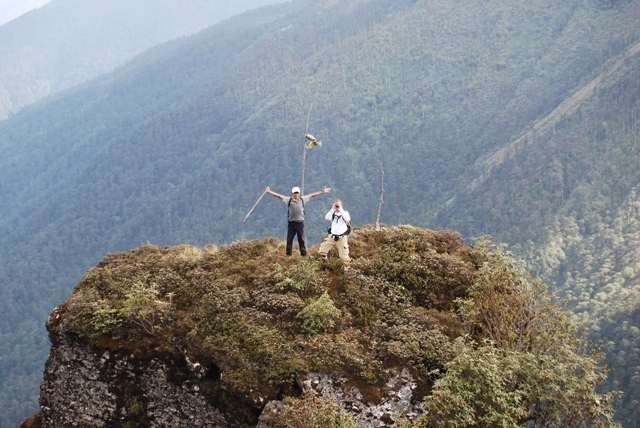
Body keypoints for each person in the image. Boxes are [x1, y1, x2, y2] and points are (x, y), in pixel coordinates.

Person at [266, 185, 331, 256]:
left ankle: (303, 254)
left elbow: (312, 195)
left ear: (299, 193)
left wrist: (322, 192)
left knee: (301, 240)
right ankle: (288, 254)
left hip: (300, 223)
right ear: (292, 193)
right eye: (295, 193)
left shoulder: (303, 199)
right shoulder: (289, 200)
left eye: (297, 193)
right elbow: (279, 196)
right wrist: (270, 192)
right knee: (289, 239)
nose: (296, 194)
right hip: (291, 224)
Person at [319, 199, 351, 270]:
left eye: (337, 205)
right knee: (322, 251)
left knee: (344, 257)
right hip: (332, 237)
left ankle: (347, 270)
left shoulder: (345, 213)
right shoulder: (332, 214)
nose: (336, 207)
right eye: (335, 205)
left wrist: (340, 209)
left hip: (341, 238)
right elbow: (326, 217)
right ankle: (326, 265)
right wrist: (332, 209)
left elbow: (347, 219)